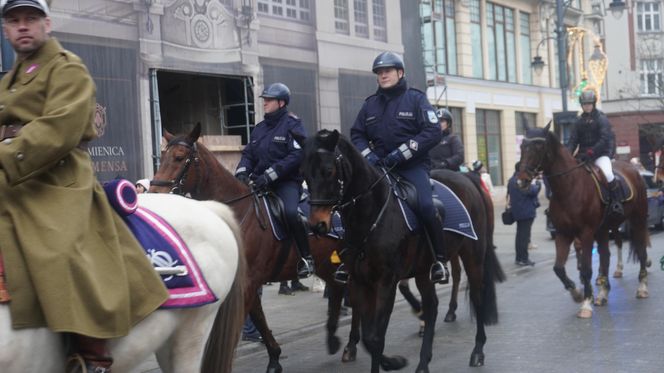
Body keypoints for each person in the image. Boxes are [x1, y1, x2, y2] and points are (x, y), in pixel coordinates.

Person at [0, 1, 169, 371]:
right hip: (14, 176)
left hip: (57, 178)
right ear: (6, 29)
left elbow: (58, 129)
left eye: (30, 19)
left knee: (60, 251)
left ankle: (92, 356)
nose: (22, 27)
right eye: (14, 21)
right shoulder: (9, 79)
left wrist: (7, 153)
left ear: (48, 23)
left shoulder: (66, 68)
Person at [350, 51, 449, 284]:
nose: (383, 75)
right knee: (354, 206)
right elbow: (357, 134)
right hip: (380, 169)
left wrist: (402, 153)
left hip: (412, 168)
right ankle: (350, 259)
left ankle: (440, 261)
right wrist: (369, 156)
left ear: (400, 72)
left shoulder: (416, 99)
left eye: (387, 71)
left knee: (426, 206)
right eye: (379, 72)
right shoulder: (370, 105)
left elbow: (432, 131)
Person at [235, 82, 314, 278]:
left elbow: (297, 154)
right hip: (258, 182)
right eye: (265, 100)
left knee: (290, 213)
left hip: (285, 183)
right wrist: (242, 172)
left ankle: (307, 258)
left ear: (281, 103)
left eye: (269, 100)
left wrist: (271, 174)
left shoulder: (293, 124)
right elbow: (249, 154)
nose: (265, 103)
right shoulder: (260, 128)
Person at [567, 89, 622, 217]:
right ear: (582, 105)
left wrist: (591, 152)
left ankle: (616, 202)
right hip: (583, 156)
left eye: (589, 104)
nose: (587, 106)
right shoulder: (578, 122)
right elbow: (573, 141)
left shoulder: (601, 119)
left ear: (593, 104)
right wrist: (568, 155)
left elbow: (604, 139)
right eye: (584, 104)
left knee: (608, 174)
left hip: (600, 155)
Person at [507, 162, 541, 266]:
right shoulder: (521, 180)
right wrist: (537, 184)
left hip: (518, 211)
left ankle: (519, 258)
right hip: (526, 212)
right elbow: (532, 191)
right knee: (524, 237)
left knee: (519, 236)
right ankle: (524, 259)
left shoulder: (511, 180)